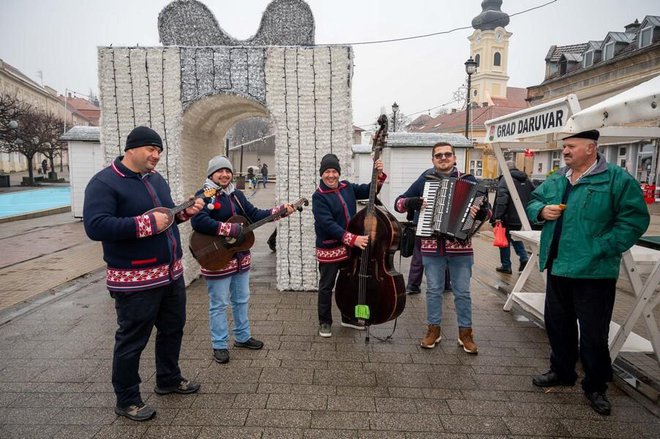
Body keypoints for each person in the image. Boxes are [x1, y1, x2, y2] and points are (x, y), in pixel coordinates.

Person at [83, 126, 204, 422]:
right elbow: (95, 226)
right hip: (135, 281)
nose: (156, 156)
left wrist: (183, 213)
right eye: (151, 149)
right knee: (132, 340)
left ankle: (168, 379)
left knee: (173, 329)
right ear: (131, 149)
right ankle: (127, 399)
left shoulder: (156, 180)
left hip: (170, 276)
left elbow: (165, 218)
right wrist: (144, 224)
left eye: (159, 151)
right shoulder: (104, 182)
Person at [527, 130, 649, 416]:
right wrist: (541, 211)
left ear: (591, 149)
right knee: (558, 325)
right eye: (564, 147)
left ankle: (595, 386)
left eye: (571, 147)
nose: (565, 151)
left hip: (594, 271)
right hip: (558, 266)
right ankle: (562, 371)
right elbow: (534, 200)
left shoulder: (615, 179)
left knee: (593, 333)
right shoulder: (559, 178)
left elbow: (634, 219)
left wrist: (603, 246)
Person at [191, 156, 295, 364]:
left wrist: (279, 211)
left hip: (239, 256)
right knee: (219, 303)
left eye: (228, 171)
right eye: (220, 171)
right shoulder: (205, 194)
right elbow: (199, 220)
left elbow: (254, 214)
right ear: (211, 174)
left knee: (241, 299)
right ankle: (219, 344)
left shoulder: (236, 195)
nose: (225, 175)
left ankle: (242, 336)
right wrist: (229, 229)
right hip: (217, 257)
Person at [395, 142, 491, 354]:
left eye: (448, 154)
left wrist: (481, 211)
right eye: (439, 155)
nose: (443, 158)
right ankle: (433, 330)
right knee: (433, 290)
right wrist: (411, 202)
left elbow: (488, 212)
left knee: (463, 292)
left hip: (461, 249)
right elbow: (398, 203)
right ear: (433, 160)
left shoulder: (469, 180)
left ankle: (465, 334)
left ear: (454, 158)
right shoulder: (425, 179)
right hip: (431, 247)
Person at [312, 153, 386, 337]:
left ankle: (348, 317)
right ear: (321, 174)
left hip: (350, 248)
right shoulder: (318, 196)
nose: (331, 175)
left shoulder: (347, 187)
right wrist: (352, 239)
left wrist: (378, 174)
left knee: (349, 283)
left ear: (338, 172)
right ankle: (325, 322)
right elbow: (327, 224)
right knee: (326, 286)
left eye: (334, 171)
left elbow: (371, 191)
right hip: (330, 248)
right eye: (327, 172)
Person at [491, 160, 534, 274]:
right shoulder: (526, 179)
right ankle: (523, 258)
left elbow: (502, 200)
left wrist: (498, 216)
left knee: (504, 241)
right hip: (521, 216)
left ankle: (506, 265)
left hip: (507, 216)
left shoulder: (506, 179)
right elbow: (533, 195)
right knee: (515, 238)